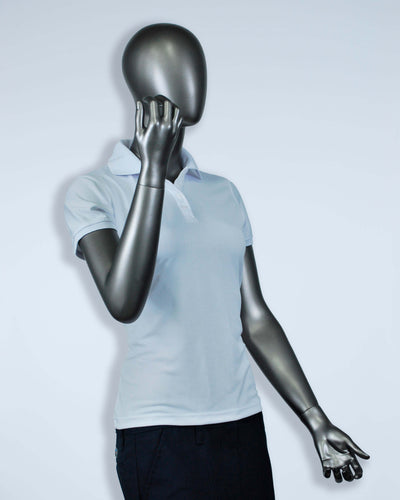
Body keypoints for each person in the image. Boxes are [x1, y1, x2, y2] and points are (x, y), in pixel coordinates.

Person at [64, 23, 370, 499]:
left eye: (197, 66)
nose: (193, 79)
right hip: (158, 430)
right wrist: (150, 170)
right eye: (176, 67)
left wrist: (315, 417)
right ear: (142, 84)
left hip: (241, 423)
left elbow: (255, 317)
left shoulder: (224, 192)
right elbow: (123, 302)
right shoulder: (93, 192)